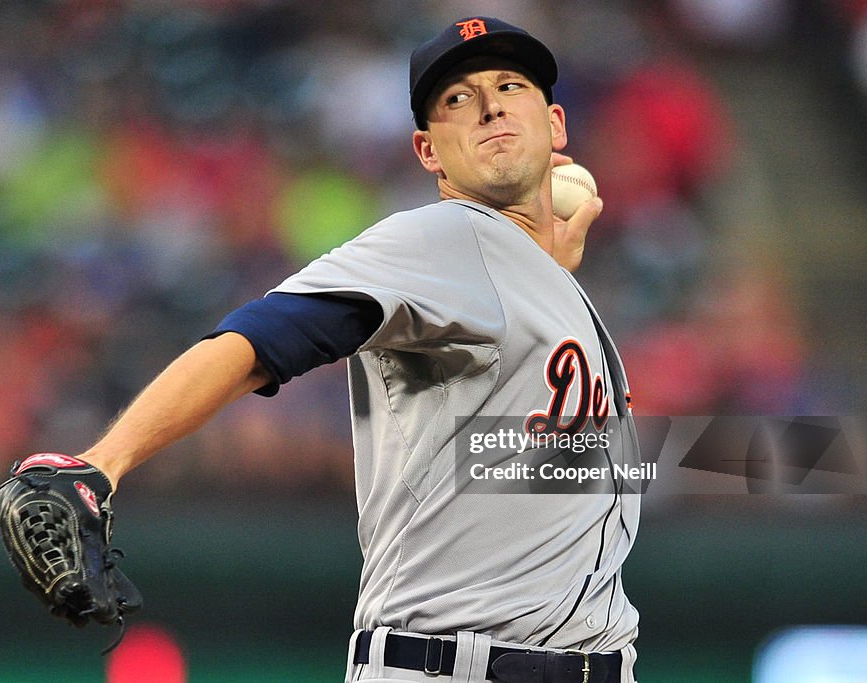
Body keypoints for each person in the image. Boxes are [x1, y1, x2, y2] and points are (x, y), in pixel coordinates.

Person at [75, 16, 639, 683]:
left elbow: (535, 470)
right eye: (456, 99)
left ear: (555, 126)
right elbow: (268, 333)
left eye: (509, 85)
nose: (488, 104)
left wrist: (542, 272)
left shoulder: (545, 287)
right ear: (429, 153)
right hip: (453, 666)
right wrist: (100, 462)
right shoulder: (441, 239)